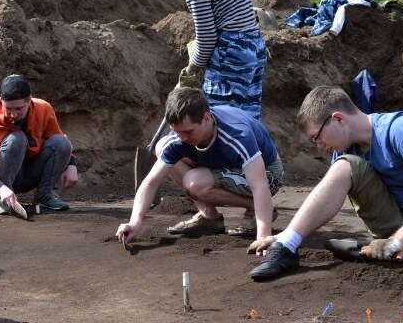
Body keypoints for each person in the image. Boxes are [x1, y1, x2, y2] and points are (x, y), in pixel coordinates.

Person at [249, 85, 403, 281]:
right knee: (344, 165)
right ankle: (287, 245)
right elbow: (328, 198)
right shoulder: (346, 151)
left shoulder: (397, 129)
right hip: (395, 221)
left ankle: (374, 250)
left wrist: (397, 242)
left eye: (317, 137)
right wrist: (285, 235)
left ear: (338, 118)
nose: (319, 145)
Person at [117, 87, 284, 246]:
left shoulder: (237, 135)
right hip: (225, 165)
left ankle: (259, 209)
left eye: (188, 132)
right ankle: (209, 217)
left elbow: (260, 185)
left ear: (206, 118)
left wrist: (263, 237)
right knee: (163, 147)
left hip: (269, 174)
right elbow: (152, 182)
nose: (182, 138)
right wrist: (135, 222)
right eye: (177, 132)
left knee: (195, 182)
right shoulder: (180, 137)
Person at [152, 0, 269, 119]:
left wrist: (192, 69)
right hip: (254, 48)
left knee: (220, 121)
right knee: (247, 122)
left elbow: (207, 37)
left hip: (231, 53)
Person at [0, 74, 78, 216]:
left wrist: (71, 164)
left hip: (32, 172)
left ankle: (44, 195)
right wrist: (0, 189)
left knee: (62, 142)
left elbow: (57, 141)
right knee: (16, 140)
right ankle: (3, 201)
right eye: (8, 109)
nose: (13, 115)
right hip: (5, 181)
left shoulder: (43, 109)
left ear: (29, 101)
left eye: (18, 109)